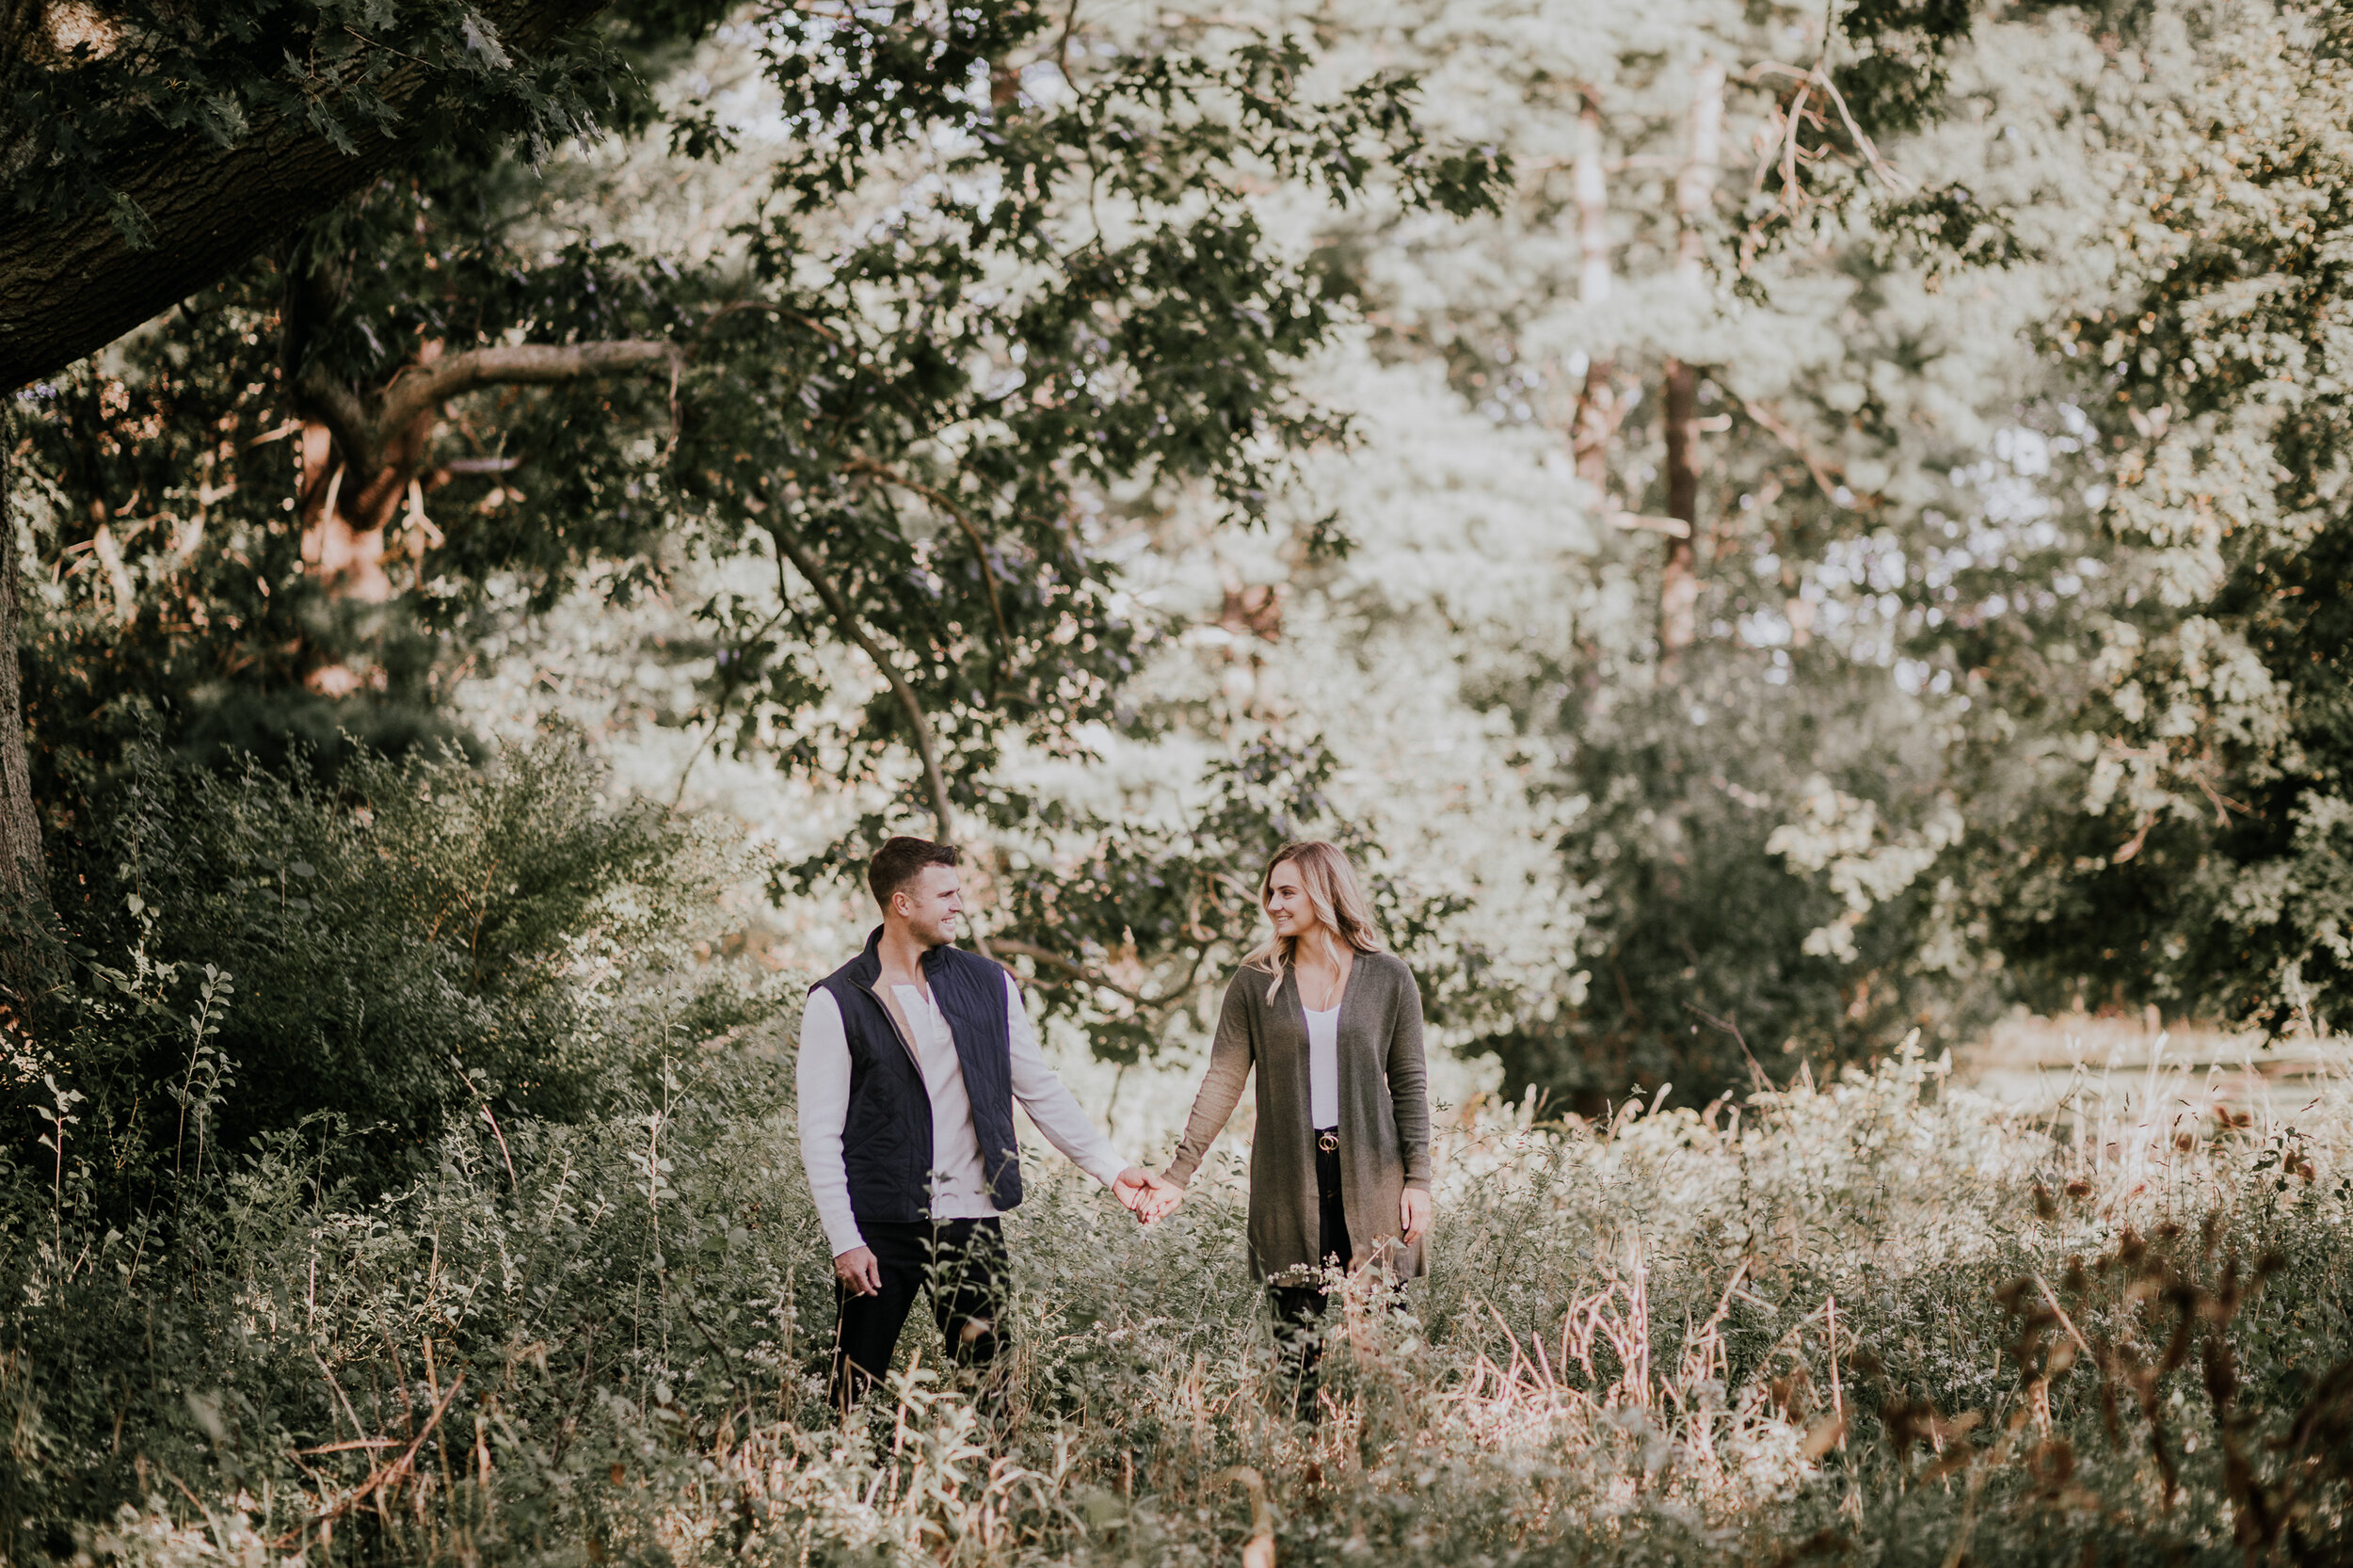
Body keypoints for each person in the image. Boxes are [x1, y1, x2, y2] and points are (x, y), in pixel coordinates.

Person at [796, 836, 1176, 1409]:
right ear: (902, 903)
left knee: (993, 1393)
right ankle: (854, 1495)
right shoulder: (837, 1000)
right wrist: (845, 1240)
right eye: (945, 894)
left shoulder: (990, 984)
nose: (958, 905)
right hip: (879, 1229)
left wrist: (1112, 1169)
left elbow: (1039, 1087)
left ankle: (987, 1495)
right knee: (854, 1393)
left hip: (972, 1223)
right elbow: (819, 1134)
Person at [1144, 840, 1432, 1413]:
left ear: (1325, 893)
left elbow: (1411, 1083)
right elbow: (1222, 1081)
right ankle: (1300, 1473)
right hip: (1289, 1183)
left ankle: (1388, 1469)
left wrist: (1419, 1180)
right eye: (1269, 892)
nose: (1273, 903)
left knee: (1386, 1347)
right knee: (1297, 1353)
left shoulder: (1389, 977)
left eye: (1286, 891)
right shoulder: (1256, 981)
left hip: (1372, 1182)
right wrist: (1178, 1174)